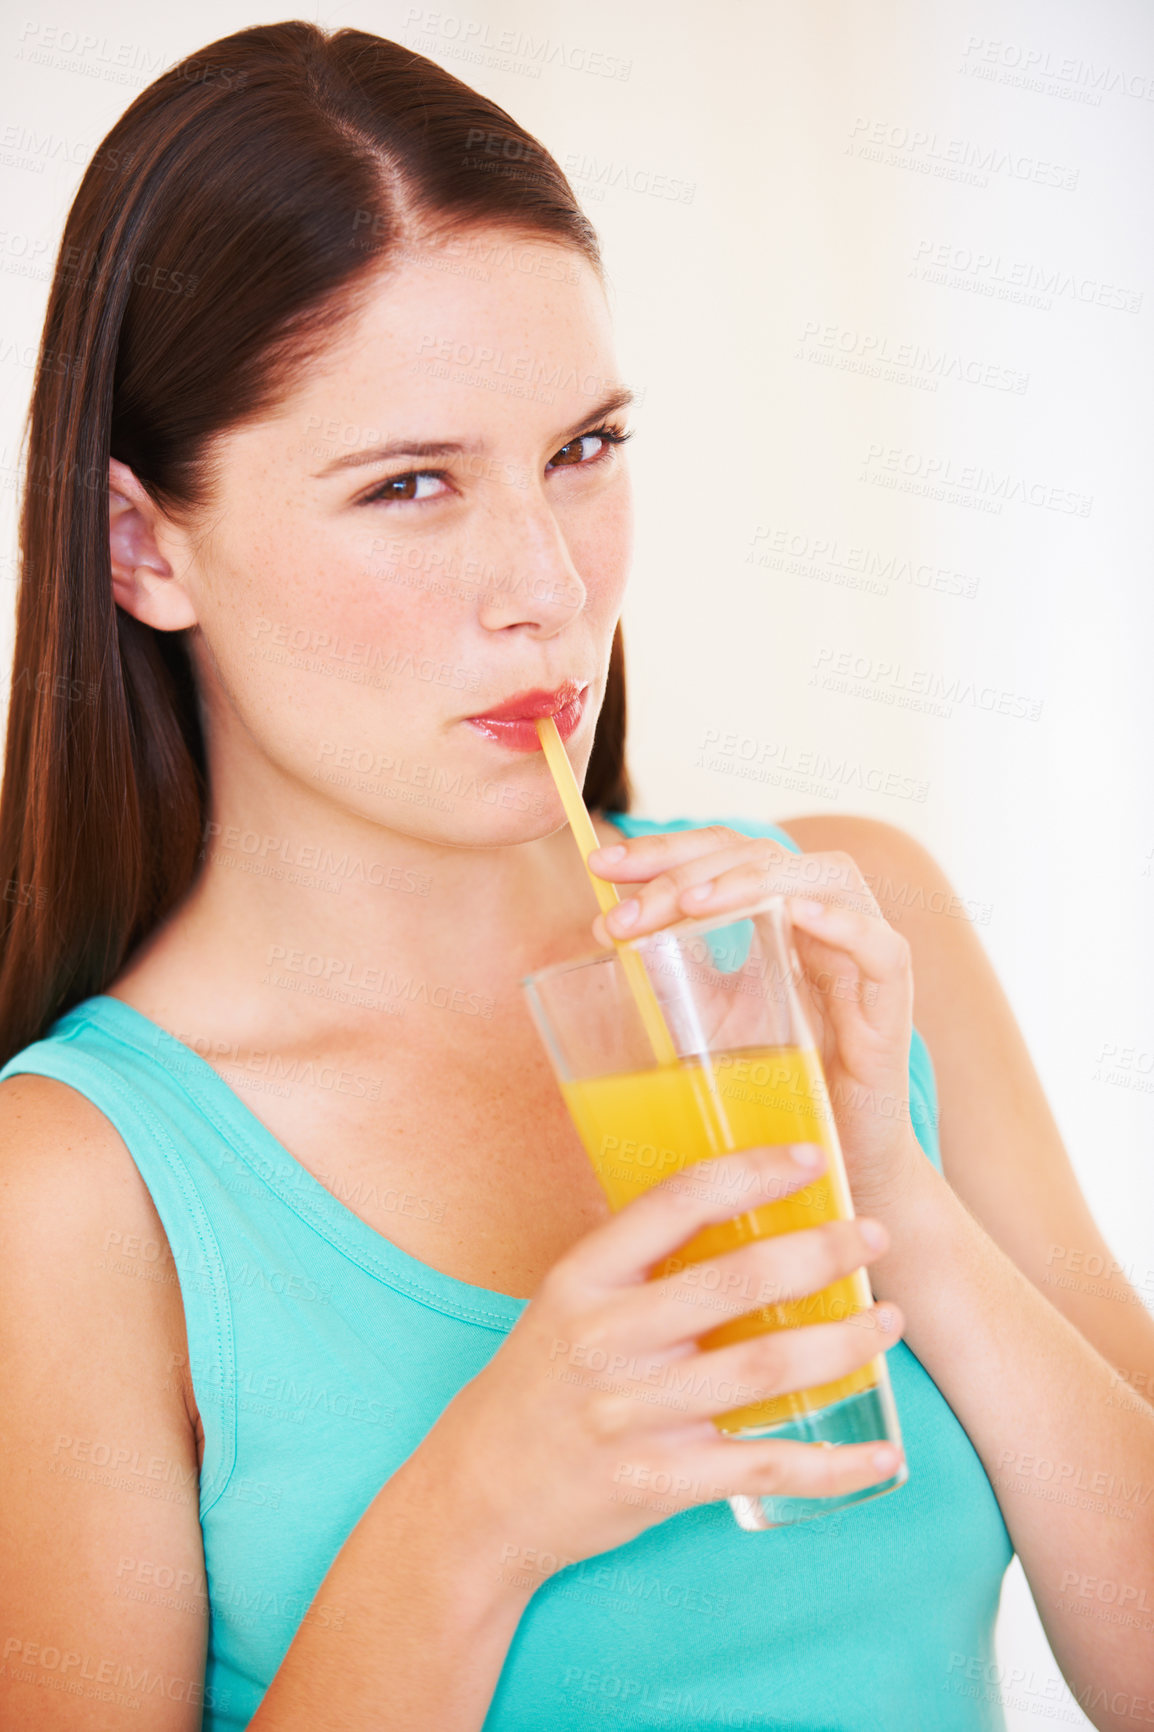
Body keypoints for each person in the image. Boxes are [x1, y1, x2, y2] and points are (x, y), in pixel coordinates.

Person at [0, 21, 1151, 1732]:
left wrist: (905, 1212)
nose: (542, 584)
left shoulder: (841, 927)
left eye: (583, 450)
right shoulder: (75, 1189)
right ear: (142, 546)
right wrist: (481, 1511)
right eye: (408, 485)